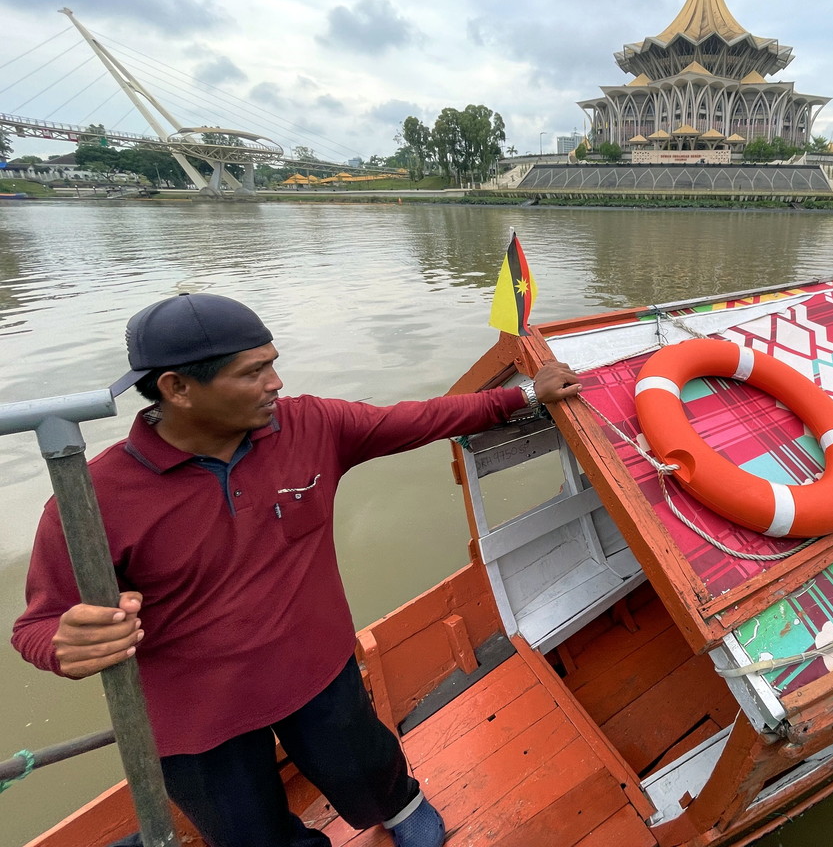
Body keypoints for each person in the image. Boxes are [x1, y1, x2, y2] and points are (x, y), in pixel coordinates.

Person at [11, 292, 581, 847]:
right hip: (197, 717)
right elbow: (38, 626)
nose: (275, 383)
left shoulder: (308, 427)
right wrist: (70, 645)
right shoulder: (91, 501)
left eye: (273, 365)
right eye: (253, 372)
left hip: (317, 668)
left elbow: (417, 418)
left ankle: (401, 808)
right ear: (177, 388)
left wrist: (525, 393)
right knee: (246, 831)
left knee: (368, 765)